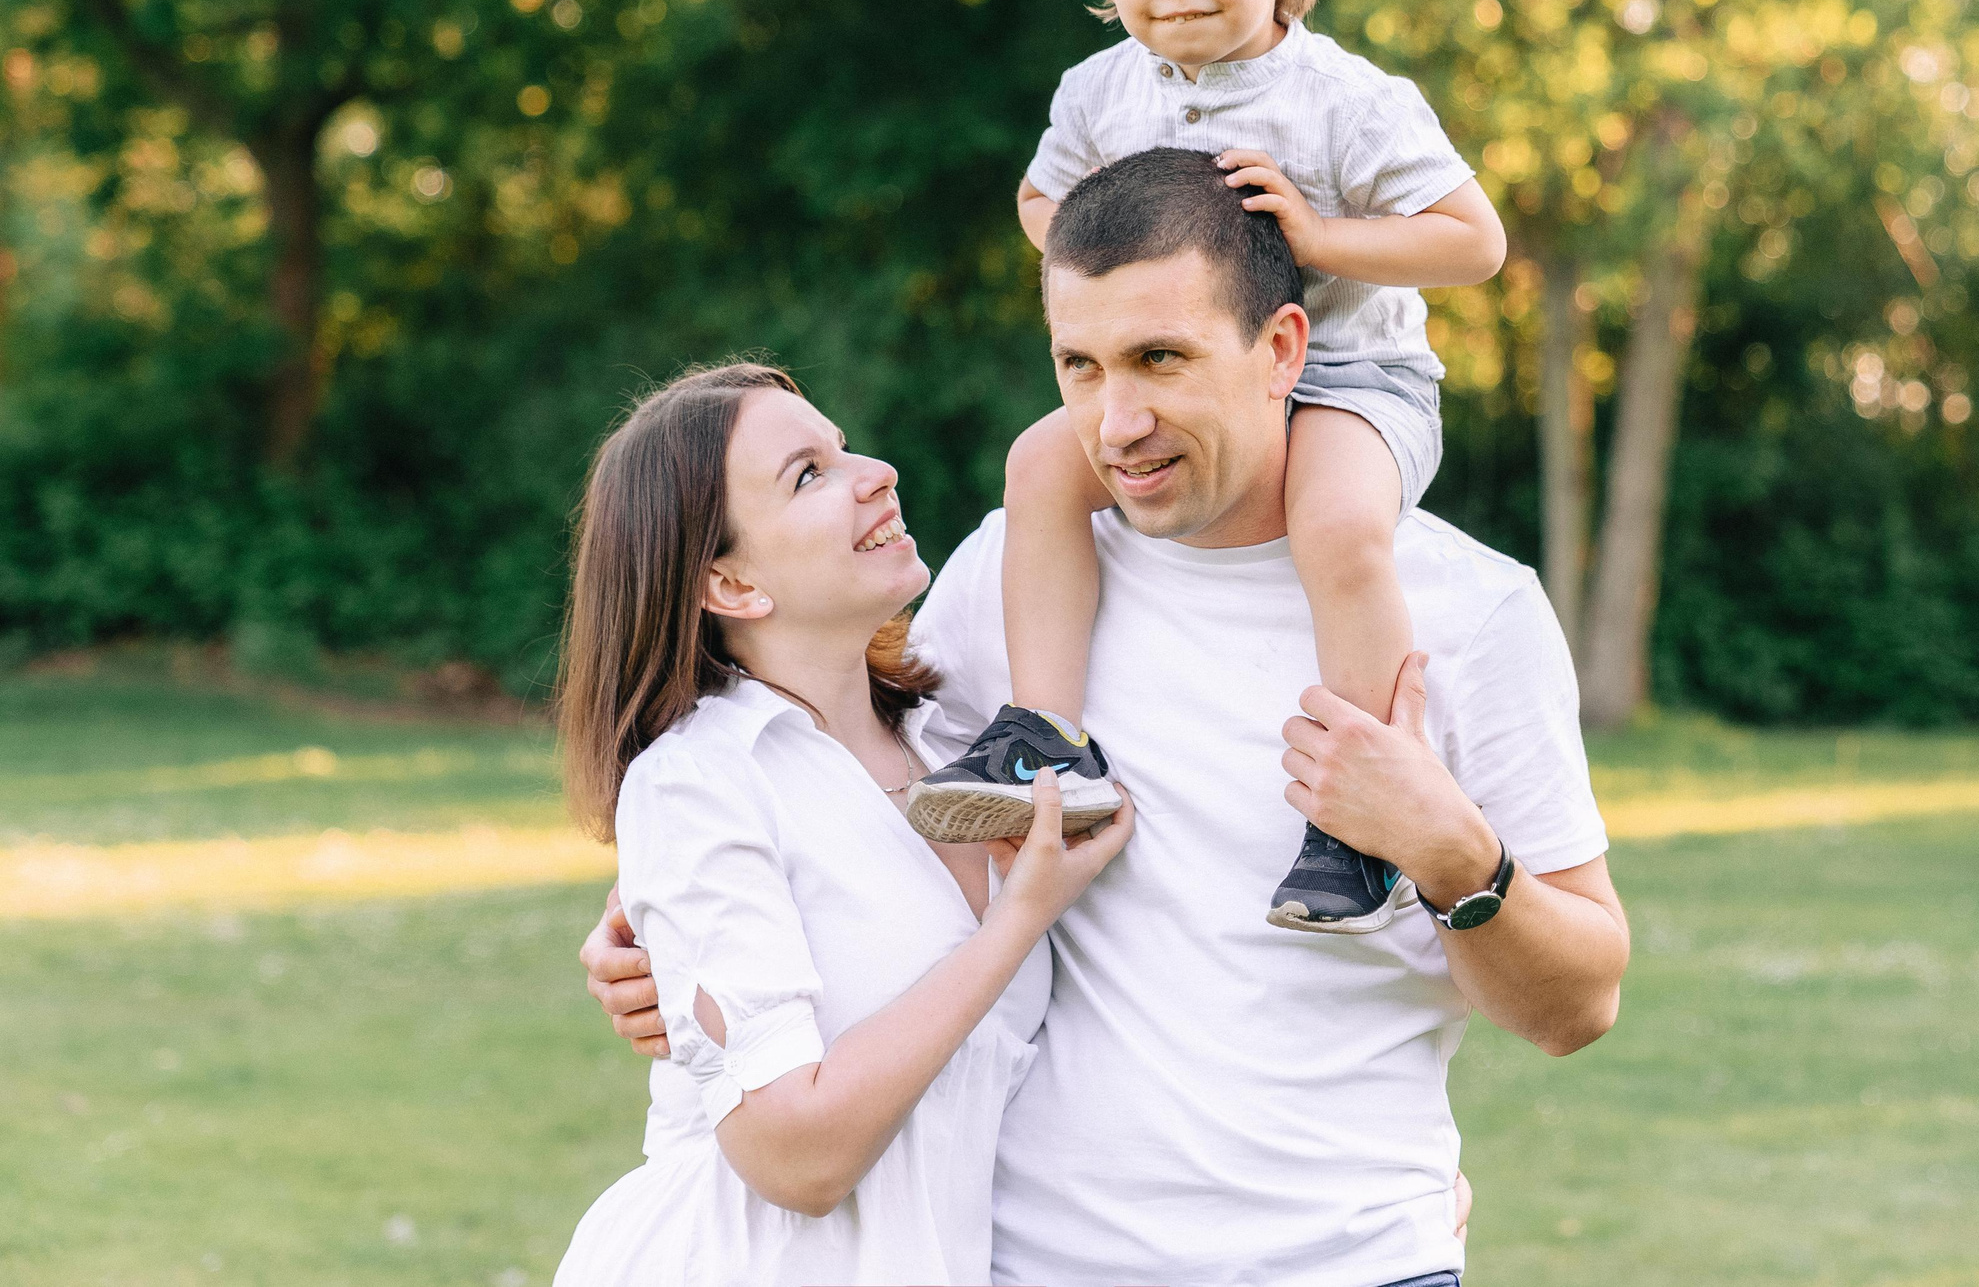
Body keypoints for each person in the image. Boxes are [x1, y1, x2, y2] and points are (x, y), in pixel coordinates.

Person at [585, 152, 1629, 1287]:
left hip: (1349, 1264)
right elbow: (810, 785)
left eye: (1159, 360)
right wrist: (647, 947)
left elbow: (1579, 1002)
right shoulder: (1012, 584)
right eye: (1077, 368)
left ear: (1280, 349)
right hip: (1028, 1266)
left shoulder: (1469, 615)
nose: (1115, 421)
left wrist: (1448, 850)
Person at [900, 0, 1509, 937]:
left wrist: (1322, 235)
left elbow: (1471, 242)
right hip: (1185, 386)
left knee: (1336, 525)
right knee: (1039, 468)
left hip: (1346, 375)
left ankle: (1364, 810)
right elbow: (1041, 206)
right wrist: (1097, 264)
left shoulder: (1345, 100)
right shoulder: (1098, 94)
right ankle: (1048, 742)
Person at [549, 361, 1133, 1285]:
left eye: (842, 444)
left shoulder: (960, 748)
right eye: (808, 474)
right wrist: (1020, 917)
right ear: (730, 583)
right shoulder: (700, 778)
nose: (877, 472)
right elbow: (795, 1157)